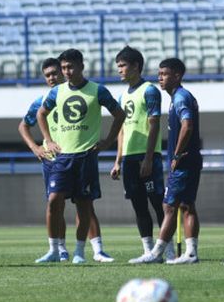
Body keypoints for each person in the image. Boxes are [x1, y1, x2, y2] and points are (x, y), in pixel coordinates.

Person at [36, 49, 125, 264]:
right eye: (64, 67)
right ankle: (55, 250)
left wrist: (108, 141)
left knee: (84, 205)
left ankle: (79, 252)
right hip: (63, 158)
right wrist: (48, 140)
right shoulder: (57, 92)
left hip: (86, 157)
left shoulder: (97, 90)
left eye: (70, 67)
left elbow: (120, 114)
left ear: (82, 66)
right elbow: (41, 114)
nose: (66, 71)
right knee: (54, 201)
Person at [18, 58, 107, 263]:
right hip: (52, 160)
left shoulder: (80, 94)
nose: (52, 78)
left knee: (84, 203)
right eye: (47, 75)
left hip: (78, 155)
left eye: (55, 73)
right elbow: (23, 126)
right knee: (55, 205)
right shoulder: (42, 101)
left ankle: (96, 250)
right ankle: (60, 249)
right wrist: (36, 147)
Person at [129, 58, 202, 265]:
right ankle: (191, 253)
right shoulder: (180, 97)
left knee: (169, 206)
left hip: (184, 162)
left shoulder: (180, 97)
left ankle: (157, 252)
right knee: (187, 206)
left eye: (164, 74)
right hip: (190, 160)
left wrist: (177, 154)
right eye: (159, 74)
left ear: (177, 75)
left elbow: (187, 126)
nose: (159, 78)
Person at [110, 46, 175, 260]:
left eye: (123, 65)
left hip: (147, 157)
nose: (119, 70)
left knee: (158, 204)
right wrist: (118, 160)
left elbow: (154, 125)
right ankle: (148, 250)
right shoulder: (122, 96)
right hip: (128, 159)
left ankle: (168, 249)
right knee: (138, 205)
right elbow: (121, 129)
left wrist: (148, 158)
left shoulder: (149, 90)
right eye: (118, 66)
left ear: (136, 66)